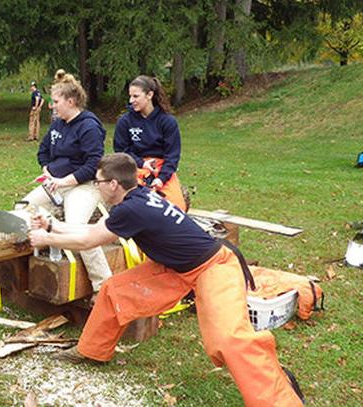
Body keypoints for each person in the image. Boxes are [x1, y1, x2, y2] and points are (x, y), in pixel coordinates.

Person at [28, 153, 306, 407]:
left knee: (229, 339)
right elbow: (93, 230)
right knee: (115, 290)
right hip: (175, 268)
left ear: (113, 184)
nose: (96, 186)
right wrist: (52, 225)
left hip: (214, 266)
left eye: (99, 181)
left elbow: (89, 240)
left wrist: (47, 238)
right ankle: (91, 351)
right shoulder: (134, 199)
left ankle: (280, 398)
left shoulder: (130, 209)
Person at [22, 73, 112, 293]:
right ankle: (36, 261)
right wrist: (48, 173)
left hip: (85, 185)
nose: (52, 106)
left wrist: (63, 182)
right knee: (24, 208)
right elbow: (42, 152)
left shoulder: (89, 127)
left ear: (70, 102)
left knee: (77, 227)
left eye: (56, 102)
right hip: (56, 184)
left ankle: (104, 287)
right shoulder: (58, 125)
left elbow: (93, 165)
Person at [113, 75, 187, 211]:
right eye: (130, 96)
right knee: (135, 205)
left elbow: (172, 156)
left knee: (176, 208)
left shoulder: (167, 121)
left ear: (149, 95)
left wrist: (161, 179)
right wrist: (142, 163)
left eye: (135, 96)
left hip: (161, 169)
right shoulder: (125, 121)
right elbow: (121, 151)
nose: (131, 101)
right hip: (133, 167)